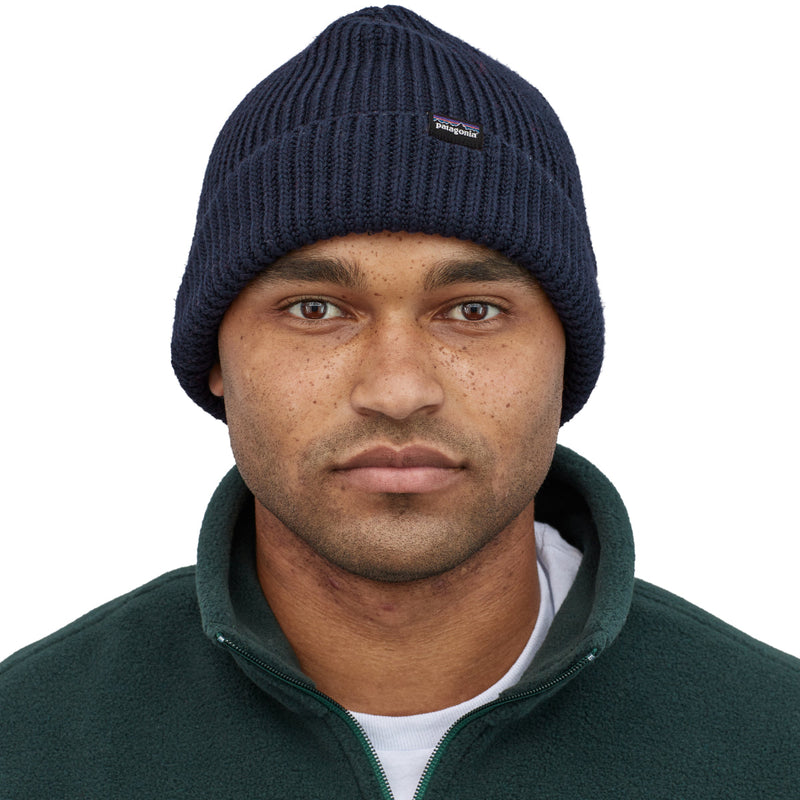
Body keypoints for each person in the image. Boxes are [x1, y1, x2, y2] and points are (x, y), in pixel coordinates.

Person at [1, 6, 797, 798]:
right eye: (316, 309)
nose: (397, 391)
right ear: (214, 356)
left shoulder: (774, 744)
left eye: (473, 311)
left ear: (567, 358)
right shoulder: (29, 744)